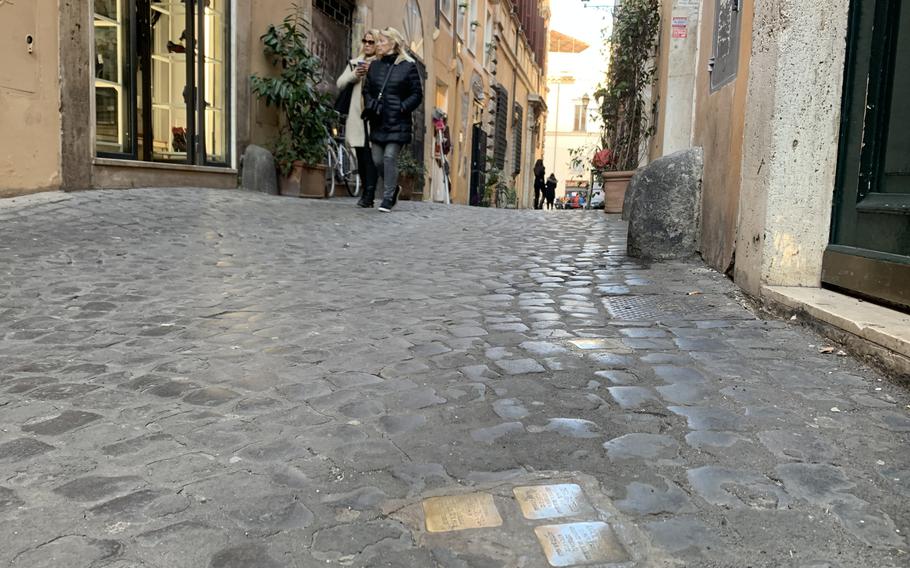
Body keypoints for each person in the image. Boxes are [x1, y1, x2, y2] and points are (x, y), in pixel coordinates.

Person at [363, 27, 424, 212]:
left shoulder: (408, 66)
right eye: (378, 41)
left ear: (393, 43)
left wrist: (403, 107)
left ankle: (388, 197)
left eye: (381, 41)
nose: (377, 44)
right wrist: (371, 103)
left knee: (389, 157)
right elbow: (367, 90)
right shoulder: (374, 66)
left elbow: (417, 94)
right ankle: (395, 187)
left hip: (398, 122)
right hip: (379, 120)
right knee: (377, 160)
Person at [336, 29, 381, 208]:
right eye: (365, 41)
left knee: (372, 157)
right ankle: (365, 190)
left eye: (372, 42)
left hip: (374, 116)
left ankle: (369, 194)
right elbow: (339, 83)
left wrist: (372, 71)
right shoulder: (354, 63)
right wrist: (355, 75)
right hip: (357, 115)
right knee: (361, 155)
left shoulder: (381, 63)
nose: (367, 45)